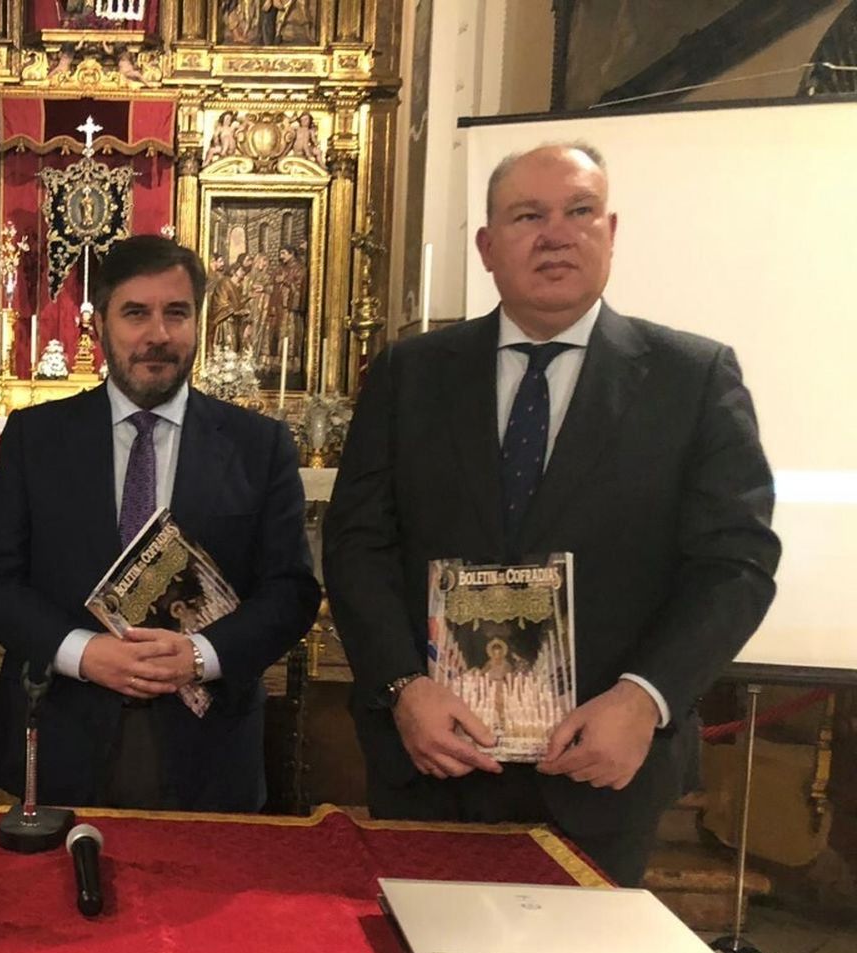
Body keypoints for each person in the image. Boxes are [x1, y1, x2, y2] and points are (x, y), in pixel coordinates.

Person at [322, 143, 780, 885]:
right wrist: (404, 688)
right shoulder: (411, 372)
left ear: (611, 232)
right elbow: (357, 543)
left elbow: (736, 564)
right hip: (433, 755)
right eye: (528, 216)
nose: (556, 235)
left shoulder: (691, 378)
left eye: (579, 211)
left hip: (601, 763)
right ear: (487, 246)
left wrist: (645, 698)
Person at [0, 235, 320, 811]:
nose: (158, 334)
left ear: (198, 322)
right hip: (60, 728)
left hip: (209, 743)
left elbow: (290, 592)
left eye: (176, 313)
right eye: (136, 313)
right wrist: (83, 652)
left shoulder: (259, 445)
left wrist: (201, 655)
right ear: (100, 325)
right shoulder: (37, 437)